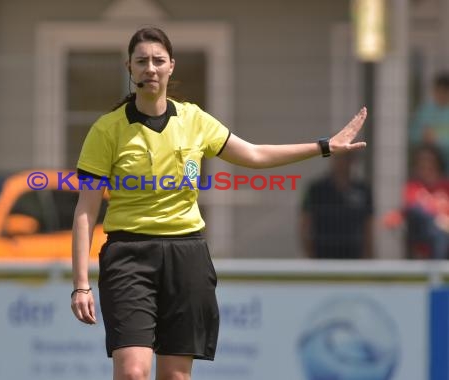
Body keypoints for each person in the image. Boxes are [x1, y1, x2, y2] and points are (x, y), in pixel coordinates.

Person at [70, 27, 367, 380]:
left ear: (171, 67)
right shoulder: (107, 130)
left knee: (176, 376)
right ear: (129, 68)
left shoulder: (195, 120)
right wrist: (80, 284)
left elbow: (254, 154)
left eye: (158, 60)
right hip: (128, 256)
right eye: (142, 61)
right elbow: (85, 211)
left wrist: (324, 146)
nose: (150, 68)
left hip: (186, 255)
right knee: (133, 372)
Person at [300, 152, 373, 259]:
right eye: (339, 157)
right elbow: (305, 222)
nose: (342, 162)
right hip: (322, 254)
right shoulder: (316, 188)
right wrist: (309, 253)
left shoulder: (363, 189)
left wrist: (368, 254)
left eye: (346, 157)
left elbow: (368, 225)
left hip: (353, 254)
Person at [383, 144, 449, 259]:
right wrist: (437, 220)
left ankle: (437, 270)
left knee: (440, 235)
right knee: (417, 211)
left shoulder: (445, 186)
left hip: (444, 236)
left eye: (429, 161)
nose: (425, 164)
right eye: (421, 161)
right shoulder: (413, 186)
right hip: (421, 235)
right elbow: (411, 209)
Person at [409, 72, 449, 170]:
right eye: (438, 91)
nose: (441, 95)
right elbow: (412, 136)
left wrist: (438, 141)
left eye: (444, 92)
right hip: (429, 168)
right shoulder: (425, 111)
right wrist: (423, 137)